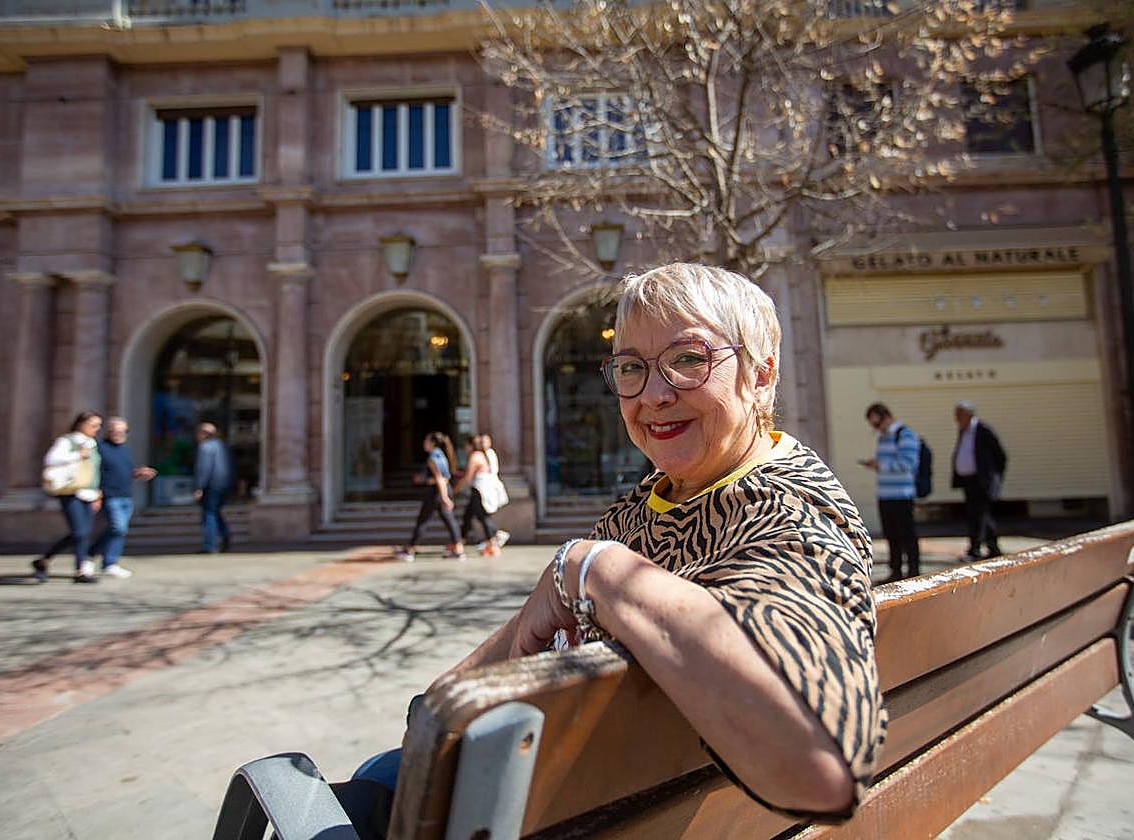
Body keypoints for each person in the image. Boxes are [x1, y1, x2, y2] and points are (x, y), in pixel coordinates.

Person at [348, 264, 885, 834]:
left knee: (355, 794)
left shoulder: (786, 512)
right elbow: (531, 624)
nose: (653, 395)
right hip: (602, 796)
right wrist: (437, 709)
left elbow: (818, 769)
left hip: (585, 814)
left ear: (761, 375)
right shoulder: (654, 501)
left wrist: (592, 566)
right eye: (632, 368)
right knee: (385, 773)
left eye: (688, 359)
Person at [33, 411, 104, 583]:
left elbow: (94, 471)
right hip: (69, 491)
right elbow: (51, 459)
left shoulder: (92, 444)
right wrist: (77, 455)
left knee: (82, 533)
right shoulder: (67, 441)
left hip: (88, 492)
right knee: (79, 532)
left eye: (98, 426)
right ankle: (80, 570)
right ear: (81, 424)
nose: (96, 429)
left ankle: (46, 561)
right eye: (93, 425)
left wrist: (97, 493)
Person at [86, 417, 157, 578]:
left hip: (126, 495)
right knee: (118, 528)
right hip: (110, 495)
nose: (118, 434)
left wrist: (138, 473)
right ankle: (105, 560)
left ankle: (101, 559)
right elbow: (95, 473)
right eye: (114, 431)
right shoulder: (100, 449)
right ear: (107, 432)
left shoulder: (124, 449)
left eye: (122, 431)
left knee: (118, 530)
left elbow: (125, 471)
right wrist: (96, 494)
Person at [860, 402, 921, 582]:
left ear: (887, 417)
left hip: (902, 493)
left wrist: (881, 466)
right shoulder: (883, 437)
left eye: (877, 424)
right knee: (891, 535)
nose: (876, 428)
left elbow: (908, 464)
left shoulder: (905, 435)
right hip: (885, 493)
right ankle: (895, 571)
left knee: (907, 534)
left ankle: (913, 570)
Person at [395, 432, 465, 561]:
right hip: (441, 490)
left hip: (437, 492)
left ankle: (411, 549)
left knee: (424, 520)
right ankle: (458, 548)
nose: (424, 443)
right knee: (448, 520)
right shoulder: (441, 455)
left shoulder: (433, 457)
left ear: (432, 443)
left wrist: (444, 498)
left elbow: (440, 479)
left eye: (426, 441)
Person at [951, 400, 1007, 560]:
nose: (956, 418)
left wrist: (994, 477)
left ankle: (974, 550)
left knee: (979, 514)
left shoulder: (983, 430)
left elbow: (1000, 456)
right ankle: (992, 546)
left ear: (968, 414)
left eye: (959, 414)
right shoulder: (963, 431)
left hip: (982, 480)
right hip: (968, 480)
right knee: (978, 514)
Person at [454, 433, 510, 557]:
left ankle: (493, 542)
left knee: (482, 517)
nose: (464, 449)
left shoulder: (476, 456)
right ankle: (460, 541)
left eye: (465, 446)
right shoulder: (482, 455)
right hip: (479, 490)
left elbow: (467, 477)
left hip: (479, 491)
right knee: (468, 516)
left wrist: (455, 490)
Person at [194, 421, 234, 554]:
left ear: (203, 433)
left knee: (209, 513)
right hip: (223, 484)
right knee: (216, 512)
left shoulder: (205, 447)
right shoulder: (222, 446)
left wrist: (199, 487)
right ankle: (225, 535)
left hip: (211, 485)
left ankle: (209, 545)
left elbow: (204, 468)